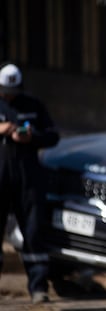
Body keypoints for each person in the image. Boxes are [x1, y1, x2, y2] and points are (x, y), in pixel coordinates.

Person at [0, 62, 60, 304]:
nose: (9, 95)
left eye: (12, 90)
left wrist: (31, 136)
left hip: (28, 179)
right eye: (5, 90)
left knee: (34, 232)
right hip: (1, 178)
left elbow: (52, 135)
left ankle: (38, 288)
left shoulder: (33, 105)